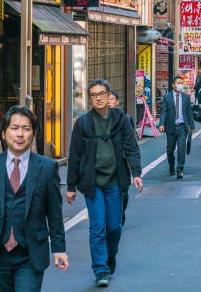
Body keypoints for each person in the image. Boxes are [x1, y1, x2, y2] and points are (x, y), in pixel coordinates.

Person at [0, 106, 68, 291]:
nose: (20, 134)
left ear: (33, 133)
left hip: (31, 253)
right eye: (14, 128)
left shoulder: (47, 167)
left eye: (26, 129)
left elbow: (54, 212)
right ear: (4, 133)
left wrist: (59, 249)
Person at [67, 79, 143, 288]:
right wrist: (71, 186)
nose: (98, 98)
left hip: (116, 182)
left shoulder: (121, 120)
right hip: (93, 184)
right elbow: (74, 156)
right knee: (97, 226)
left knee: (115, 227)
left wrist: (136, 173)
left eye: (102, 93)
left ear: (109, 96)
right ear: (89, 98)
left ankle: (110, 258)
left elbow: (131, 147)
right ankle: (100, 269)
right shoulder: (83, 123)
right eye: (94, 95)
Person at [158, 75, 195, 179]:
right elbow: (164, 111)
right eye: (178, 83)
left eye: (181, 83)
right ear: (173, 85)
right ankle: (171, 166)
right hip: (171, 127)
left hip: (182, 127)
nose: (180, 85)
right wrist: (161, 124)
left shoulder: (186, 97)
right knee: (170, 150)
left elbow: (189, 112)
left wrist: (191, 125)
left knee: (181, 149)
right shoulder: (167, 97)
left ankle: (180, 169)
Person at [108, 91, 136, 226]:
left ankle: (121, 212)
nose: (108, 101)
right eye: (107, 99)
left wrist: (135, 169)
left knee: (123, 192)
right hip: (103, 166)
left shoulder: (125, 119)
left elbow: (131, 144)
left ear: (117, 102)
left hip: (121, 163)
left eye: (111, 99)